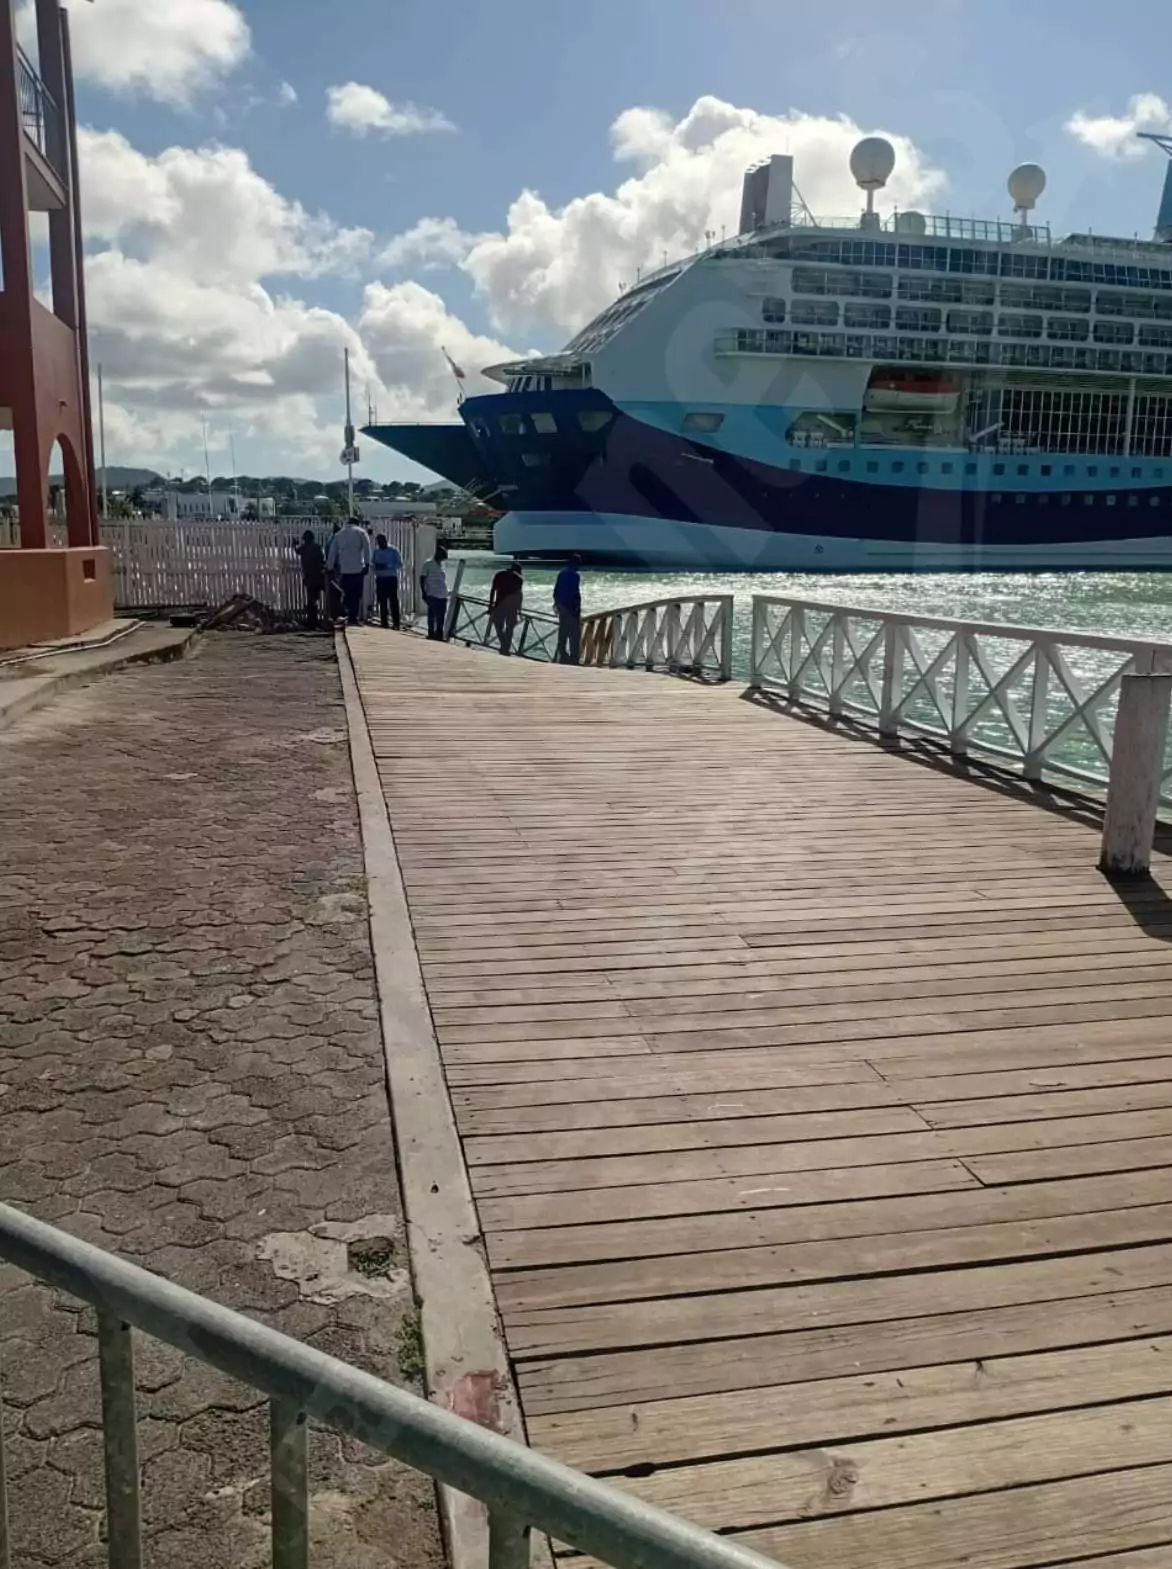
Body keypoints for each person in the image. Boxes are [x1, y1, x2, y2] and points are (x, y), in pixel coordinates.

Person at [327, 515, 372, 627]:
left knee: (346, 593)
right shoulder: (361, 532)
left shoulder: (339, 534)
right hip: (358, 569)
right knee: (356, 595)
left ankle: (346, 614)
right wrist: (367, 564)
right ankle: (353, 618)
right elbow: (367, 549)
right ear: (357, 523)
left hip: (344, 569)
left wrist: (330, 567)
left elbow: (332, 552)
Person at [488, 559, 524, 655]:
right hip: (512, 608)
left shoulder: (499, 575)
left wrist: (490, 605)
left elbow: (492, 590)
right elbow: (519, 596)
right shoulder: (519, 579)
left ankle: (503, 645)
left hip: (499, 605)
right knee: (510, 628)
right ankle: (505, 648)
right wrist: (520, 610)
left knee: (498, 626)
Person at [554, 555, 582, 665]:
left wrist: (557, 604)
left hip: (562, 609)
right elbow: (575, 593)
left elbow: (556, 591)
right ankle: (574, 658)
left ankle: (562, 656)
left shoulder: (561, 573)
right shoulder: (575, 575)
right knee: (574, 635)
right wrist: (576, 609)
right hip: (572, 610)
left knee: (563, 633)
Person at [297, 529, 327, 631]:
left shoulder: (303, 548)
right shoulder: (317, 547)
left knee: (312, 600)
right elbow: (322, 560)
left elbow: (297, 551)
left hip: (309, 577)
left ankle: (312, 621)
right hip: (319, 576)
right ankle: (328, 618)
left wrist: (294, 544)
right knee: (328, 596)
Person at [372, 533, 403, 630]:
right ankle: (384, 622)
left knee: (393, 600)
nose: (380, 544)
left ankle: (396, 623)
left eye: (381, 542)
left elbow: (399, 564)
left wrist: (387, 566)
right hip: (380, 578)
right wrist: (376, 566)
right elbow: (372, 563)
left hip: (391, 578)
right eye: (378, 542)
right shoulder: (376, 551)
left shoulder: (393, 551)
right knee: (382, 601)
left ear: (386, 541)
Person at [420, 544, 449, 641]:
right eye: (443, 557)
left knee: (441, 616)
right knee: (432, 614)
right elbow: (422, 578)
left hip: (443, 593)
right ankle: (431, 633)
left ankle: (439, 634)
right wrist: (423, 592)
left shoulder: (442, 565)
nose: (443, 560)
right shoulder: (428, 564)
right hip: (432, 593)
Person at [326, 521, 344, 623]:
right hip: (337, 569)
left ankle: (335, 614)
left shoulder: (330, 540)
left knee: (334, 593)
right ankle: (338, 613)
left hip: (332, 569)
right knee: (338, 592)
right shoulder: (337, 540)